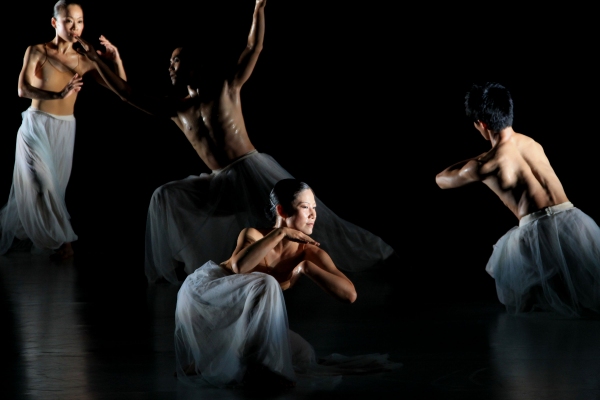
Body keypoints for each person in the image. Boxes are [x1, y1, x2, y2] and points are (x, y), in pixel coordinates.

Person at [73, 0, 396, 284]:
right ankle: (201, 265)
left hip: (251, 169)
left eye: (177, 61)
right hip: (222, 181)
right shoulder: (176, 107)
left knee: (306, 218)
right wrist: (96, 58)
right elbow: (127, 94)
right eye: (170, 63)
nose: (170, 67)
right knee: (165, 195)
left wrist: (259, 7)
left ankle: (374, 255)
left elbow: (252, 49)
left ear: (195, 65)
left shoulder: (226, 89)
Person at [174, 179, 401, 389]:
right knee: (265, 282)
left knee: (303, 355)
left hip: (245, 316)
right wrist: (281, 233)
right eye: (305, 207)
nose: (313, 214)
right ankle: (226, 362)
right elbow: (239, 268)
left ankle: (218, 361)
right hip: (208, 296)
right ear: (282, 210)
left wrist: (306, 268)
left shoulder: (310, 253)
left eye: (315, 208)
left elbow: (349, 295)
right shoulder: (252, 234)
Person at [435, 82, 600, 317]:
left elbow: (441, 180)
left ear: (482, 124)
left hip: (538, 230)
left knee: (532, 301)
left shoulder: (485, 165)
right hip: (575, 221)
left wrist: (480, 158)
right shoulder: (531, 143)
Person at [0, 1, 127, 260]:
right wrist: (58, 94)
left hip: (65, 129)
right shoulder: (37, 50)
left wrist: (117, 60)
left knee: (54, 190)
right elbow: (22, 90)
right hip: (36, 125)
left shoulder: (84, 60)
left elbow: (122, 90)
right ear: (54, 22)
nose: (75, 27)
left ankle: (29, 235)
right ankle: (64, 242)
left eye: (79, 21)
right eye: (68, 20)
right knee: (43, 183)